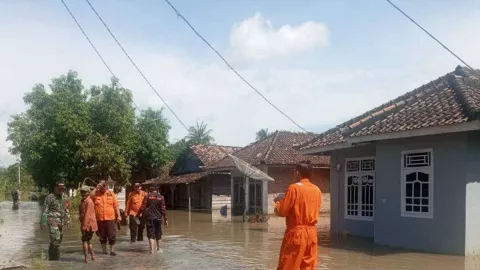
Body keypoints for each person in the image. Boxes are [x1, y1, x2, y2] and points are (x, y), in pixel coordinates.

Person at [274, 161, 322, 270]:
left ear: (297, 173)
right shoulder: (317, 190)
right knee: (308, 266)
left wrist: (278, 203)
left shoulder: (294, 188)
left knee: (288, 265)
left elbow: (282, 211)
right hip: (312, 233)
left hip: (297, 233)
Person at [40, 182, 70, 261]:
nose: (61, 190)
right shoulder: (50, 197)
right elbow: (45, 210)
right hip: (52, 220)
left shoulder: (65, 197)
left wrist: (67, 220)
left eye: (62, 189)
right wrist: (43, 222)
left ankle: (52, 258)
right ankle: (56, 259)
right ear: (55, 188)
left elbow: (67, 209)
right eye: (60, 189)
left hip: (61, 221)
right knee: (56, 239)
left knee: (58, 240)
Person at [92, 179, 122, 256]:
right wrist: (96, 187)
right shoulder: (95, 194)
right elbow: (89, 197)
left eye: (105, 185)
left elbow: (116, 206)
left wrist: (119, 216)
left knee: (112, 235)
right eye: (102, 185)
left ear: (107, 186)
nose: (103, 187)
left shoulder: (111, 194)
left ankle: (112, 251)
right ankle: (104, 251)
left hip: (110, 218)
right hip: (99, 219)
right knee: (102, 236)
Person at [139, 184, 168, 254]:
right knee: (158, 234)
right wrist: (165, 219)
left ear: (150, 190)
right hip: (158, 218)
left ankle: (152, 251)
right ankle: (159, 249)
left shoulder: (147, 196)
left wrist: (139, 214)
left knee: (151, 235)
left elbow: (142, 207)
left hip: (150, 218)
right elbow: (163, 209)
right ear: (157, 189)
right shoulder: (161, 197)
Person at [79, 185, 97, 263]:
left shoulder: (89, 201)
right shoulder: (83, 200)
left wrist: (84, 226)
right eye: (81, 192)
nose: (82, 193)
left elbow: (88, 215)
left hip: (89, 225)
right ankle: (93, 256)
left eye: (84, 192)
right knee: (88, 241)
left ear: (88, 193)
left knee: (84, 241)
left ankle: (86, 259)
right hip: (86, 224)